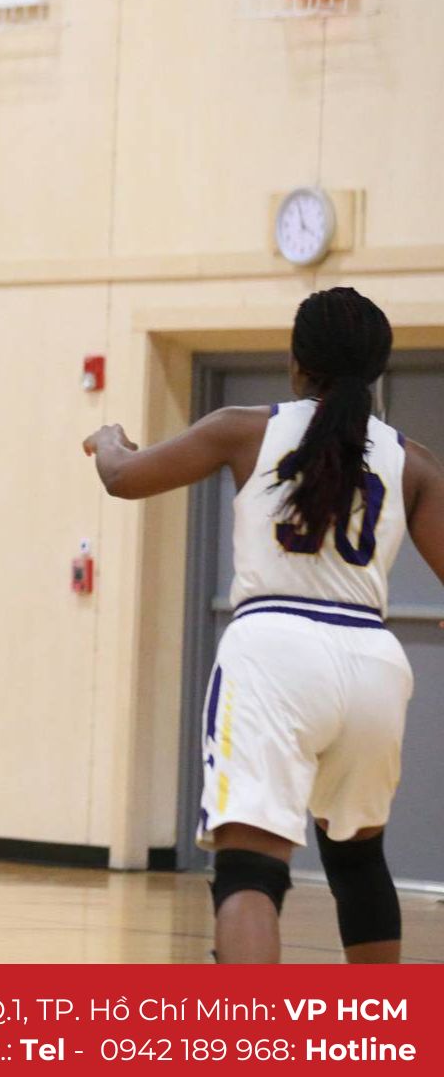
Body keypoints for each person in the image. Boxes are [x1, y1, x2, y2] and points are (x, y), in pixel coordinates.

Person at [84, 287, 444, 964]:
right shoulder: (415, 461)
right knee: (360, 863)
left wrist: (109, 441)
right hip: (373, 662)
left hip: (274, 649)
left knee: (249, 872)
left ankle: (252, 1032)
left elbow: (124, 478)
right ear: (378, 368)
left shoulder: (246, 428)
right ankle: (384, 1033)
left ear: (296, 362)